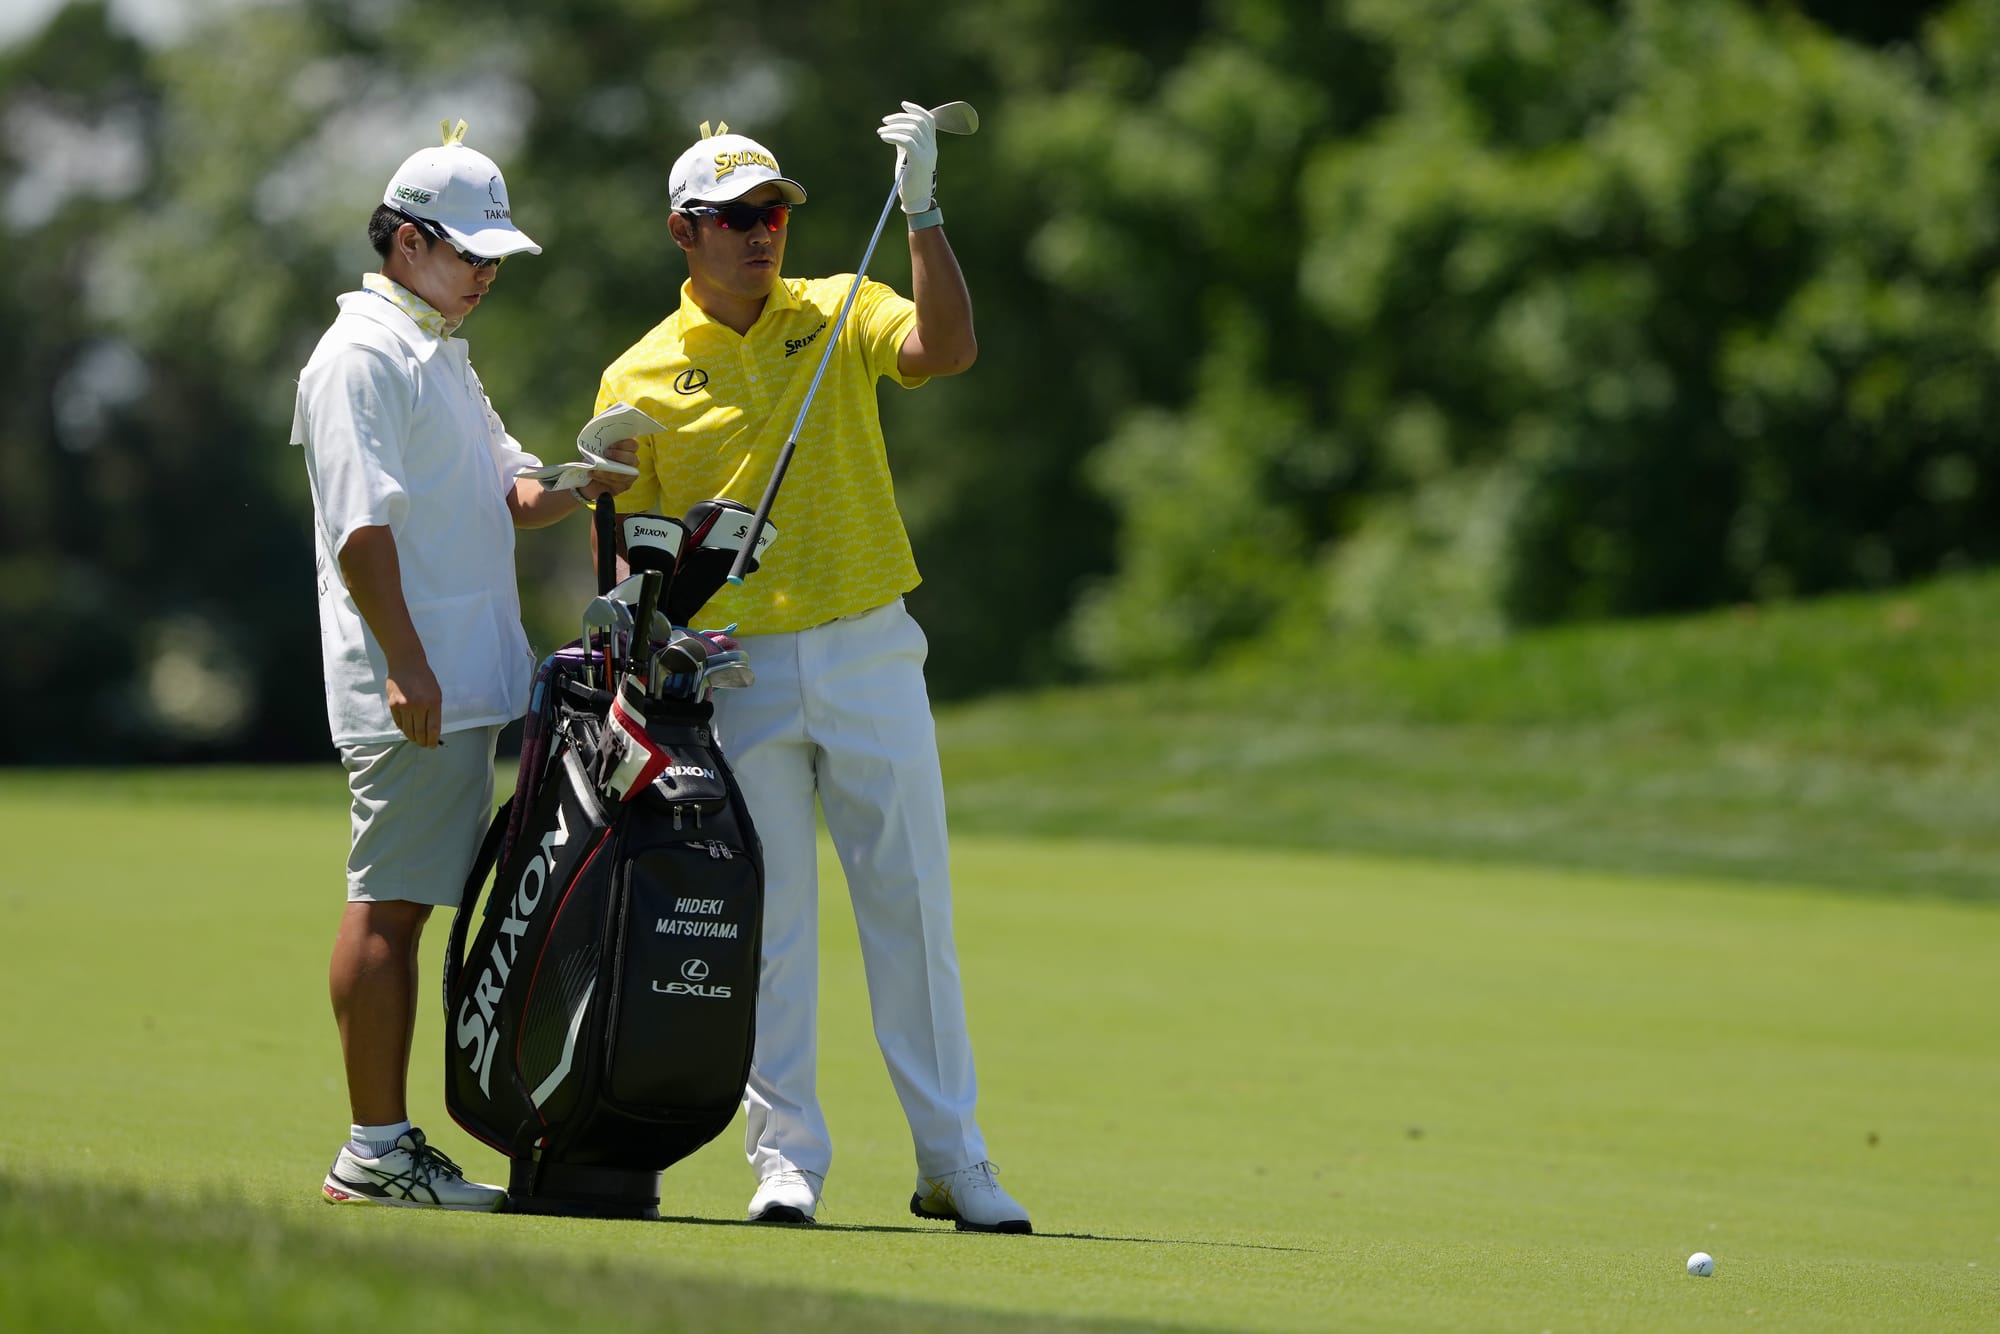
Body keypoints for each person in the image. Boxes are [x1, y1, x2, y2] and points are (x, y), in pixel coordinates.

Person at [595, 106, 1031, 1232]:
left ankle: (953, 1157)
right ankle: (785, 1161)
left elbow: (947, 350)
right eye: (736, 217)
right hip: (735, 677)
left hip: (868, 644)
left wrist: (925, 212)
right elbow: (630, 557)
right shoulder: (638, 373)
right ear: (683, 231)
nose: (762, 233)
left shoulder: (838, 305)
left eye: (774, 212)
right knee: (769, 926)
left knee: (911, 909)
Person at [294, 122, 636, 1210]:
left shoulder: (439, 348)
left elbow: (515, 494)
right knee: (389, 906)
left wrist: (592, 476)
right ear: (403, 243)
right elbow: (360, 529)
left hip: (457, 679)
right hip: (410, 685)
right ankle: (375, 1147)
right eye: (467, 252)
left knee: (407, 904)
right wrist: (405, 663)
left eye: (496, 257)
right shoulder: (359, 356)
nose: (485, 274)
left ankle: (384, 1142)